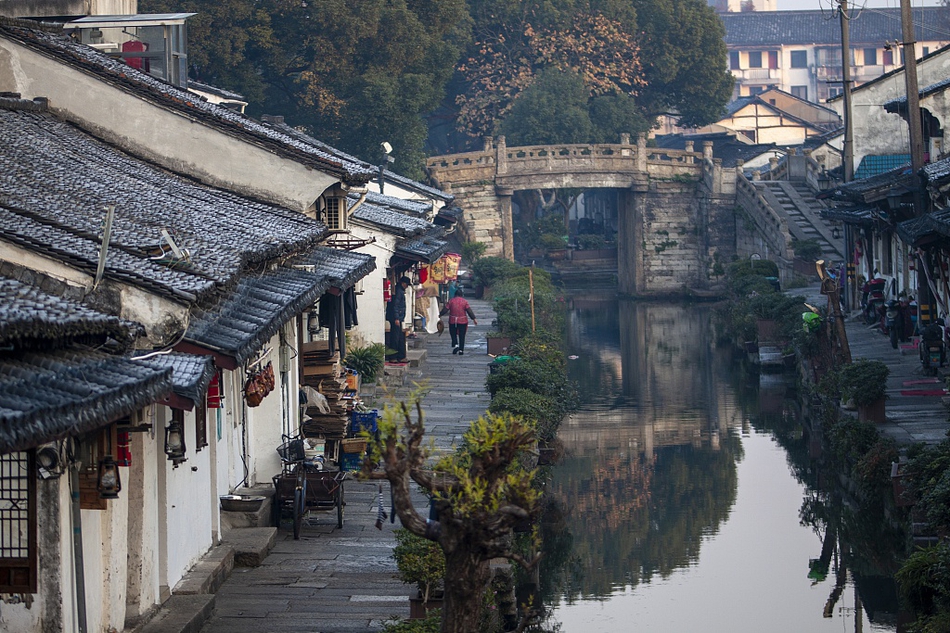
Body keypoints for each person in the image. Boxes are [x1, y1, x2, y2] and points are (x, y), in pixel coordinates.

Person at [440, 287, 477, 355]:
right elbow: (469, 311)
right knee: (462, 335)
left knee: (453, 333)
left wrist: (440, 315)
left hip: (453, 320)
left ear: (455, 294)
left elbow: (445, 309)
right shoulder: (465, 302)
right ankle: (461, 350)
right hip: (462, 321)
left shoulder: (451, 301)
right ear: (461, 295)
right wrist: (474, 318)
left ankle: (456, 345)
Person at [386, 276, 410, 363]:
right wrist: (396, 318)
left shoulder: (398, 290)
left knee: (399, 336)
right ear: (403, 283)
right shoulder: (399, 292)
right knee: (395, 337)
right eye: (407, 284)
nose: (407, 286)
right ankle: (393, 357)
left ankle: (399, 356)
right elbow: (395, 305)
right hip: (396, 318)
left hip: (398, 317)